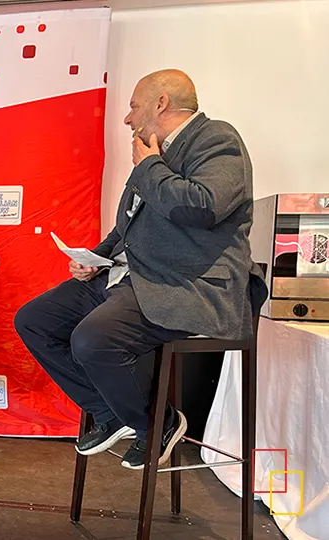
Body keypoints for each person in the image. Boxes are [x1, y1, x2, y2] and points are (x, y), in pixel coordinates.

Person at [15, 69, 268, 470]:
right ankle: (113, 413)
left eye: (134, 107)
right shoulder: (153, 152)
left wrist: (149, 167)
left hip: (187, 284)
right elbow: (129, 223)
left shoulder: (217, 140)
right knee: (34, 320)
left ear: (161, 103)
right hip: (131, 277)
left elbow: (201, 207)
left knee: (93, 340)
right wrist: (95, 258)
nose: (128, 118)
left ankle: (157, 424)